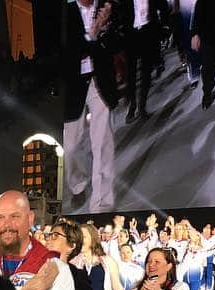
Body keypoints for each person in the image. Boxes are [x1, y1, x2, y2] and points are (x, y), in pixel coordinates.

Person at [64, 0, 121, 212]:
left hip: (101, 83)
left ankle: (102, 205)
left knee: (103, 144)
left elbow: (118, 44)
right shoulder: (67, 12)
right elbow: (70, 51)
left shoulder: (108, 7)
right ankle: (78, 183)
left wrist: (106, 30)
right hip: (73, 87)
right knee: (69, 148)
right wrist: (93, 33)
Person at [123, 0, 171, 121]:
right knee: (131, 74)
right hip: (130, 34)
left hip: (148, 32)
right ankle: (132, 106)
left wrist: (164, 25)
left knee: (146, 72)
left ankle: (142, 106)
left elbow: (163, 6)